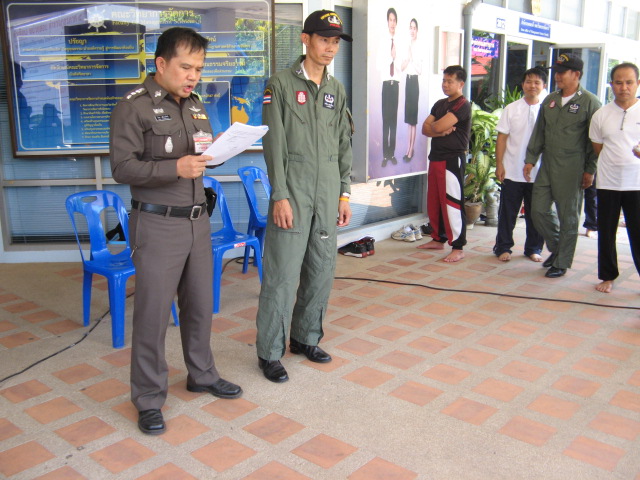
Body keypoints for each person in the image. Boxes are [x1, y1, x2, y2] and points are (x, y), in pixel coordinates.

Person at [110, 27, 242, 436]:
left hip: (197, 221)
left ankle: (201, 374)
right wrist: (175, 168)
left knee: (200, 305)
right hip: (157, 224)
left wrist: (218, 151)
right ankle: (149, 398)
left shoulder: (196, 105)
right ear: (161, 63)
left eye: (198, 69)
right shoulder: (133, 107)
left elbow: (200, 155)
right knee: (152, 315)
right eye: (186, 67)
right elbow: (122, 168)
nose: (193, 76)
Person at [255, 10, 353, 383]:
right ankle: (269, 352)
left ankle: (305, 338)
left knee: (321, 270)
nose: (330, 48)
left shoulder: (336, 89)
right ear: (305, 39)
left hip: (327, 192)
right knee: (281, 274)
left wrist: (344, 193)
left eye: (335, 42)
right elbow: (274, 146)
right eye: (324, 39)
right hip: (293, 192)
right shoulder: (280, 85)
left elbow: (343, 144)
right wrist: (279, 195)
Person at [524, 53, 601, 278]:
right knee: (538, 210)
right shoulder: (550, 100)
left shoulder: (590, 102)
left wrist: (590, 170)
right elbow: (539, 132)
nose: (557, 76)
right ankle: (558, 247)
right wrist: (530, 159)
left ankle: (562, 262)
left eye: (562, 72)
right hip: (548, 164)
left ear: (576, 74)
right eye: (556, 72)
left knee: (568, 216)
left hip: (573, 166)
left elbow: (595, 141)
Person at [588, 62, 640, 293]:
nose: (624, 87)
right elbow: (598, 148)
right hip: (608, 182)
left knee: (637, 233)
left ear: (637, 83)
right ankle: (607, 277)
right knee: (606, 232)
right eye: (618, 82)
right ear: (611, 85)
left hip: (636, 183)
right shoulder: (601, 114)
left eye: (629, 82)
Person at [418, 65, 471, 263]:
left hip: (452, 159)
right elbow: (425, 129)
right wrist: (439, 131)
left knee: (452, 202)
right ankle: (438, 238)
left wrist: (436, 128)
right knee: (435, 200)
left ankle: (458, 247)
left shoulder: (462, 104)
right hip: (436, 157)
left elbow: (436, 125)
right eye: (444, 80)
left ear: (461, 84)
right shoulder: (440, 104)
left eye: (450, 81)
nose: (445, 85)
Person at [493, 67, 547, 263]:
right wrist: (499, 165)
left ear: (544, 85)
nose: (532, 85)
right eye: (528, 81)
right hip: (512, 169)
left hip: (539, 172)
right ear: (523, 84)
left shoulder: (548, 109)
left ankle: (534, 248)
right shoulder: (512, 108)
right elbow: (502, 138)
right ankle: (503, 247)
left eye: (537, 82)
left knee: (536, 214)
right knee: (508, 212)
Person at [380, 7, 400, 167]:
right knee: (385, 122)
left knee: (394, 123)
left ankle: (392, 154)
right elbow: (378, 65)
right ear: (387, 21)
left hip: (396, 86)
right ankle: (385, 156)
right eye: (390, 20)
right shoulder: (383, 41)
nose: (392, 23)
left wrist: (396, 59)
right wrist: (390, 57)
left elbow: (401, 66)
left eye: (394, 20)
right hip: (386, 85)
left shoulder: (399, 41)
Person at [401, 18, 422, 162]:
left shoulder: (419, 46)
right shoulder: (407, 44)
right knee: (408, 120)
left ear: (417, 30)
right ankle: (408, 148)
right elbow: (402, 67)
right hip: (407, 81)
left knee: (413, 120)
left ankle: (410, 150)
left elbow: (420, 70)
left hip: (414, 81)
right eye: (410, 27)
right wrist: (407, 58)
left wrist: (412, 57)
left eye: (414, 28)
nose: (412, 30)